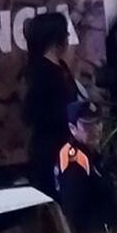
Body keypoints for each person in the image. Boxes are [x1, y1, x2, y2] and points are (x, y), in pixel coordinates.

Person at [23, 12, 78, 195]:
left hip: (66, 146)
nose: (69, 39)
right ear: (56, 41)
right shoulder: (40, 74)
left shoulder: (61, 68)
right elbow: (30, 113)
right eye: (66, 35)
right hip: (49, 150)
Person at [55, 99, 117, 233]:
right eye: (87, 126)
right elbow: (76, 210)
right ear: (72, 128)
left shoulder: (90, 153)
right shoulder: (74, 159)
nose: (95, 129)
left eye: (97, 123)